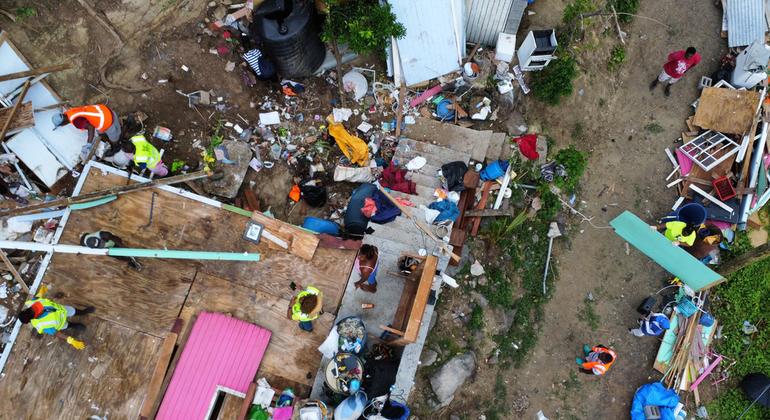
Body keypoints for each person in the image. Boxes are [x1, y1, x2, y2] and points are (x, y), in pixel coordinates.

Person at [18, 285, 92, 350]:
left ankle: (83, 312)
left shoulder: (33, 304)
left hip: (62, 310)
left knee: (74, 311)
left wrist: (41, 292)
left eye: (34, 307)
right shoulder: (43, 326)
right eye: (37, 310)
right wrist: (71, 340)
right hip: (60, 323)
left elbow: (37, 298)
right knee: (67, 325)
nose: (38, 307)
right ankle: (75, 325)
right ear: (34, 317)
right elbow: (57, 333)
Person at [52, 104, 122, 145]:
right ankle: (118, 124)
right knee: (100, 132)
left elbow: (91, 127)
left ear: (63, 123)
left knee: (114, 140)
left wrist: (89, 144)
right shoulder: (69, 112)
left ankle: (119, 140)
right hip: (105, 110)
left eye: (61, 125)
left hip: (108, 120)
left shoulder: (76, 121)